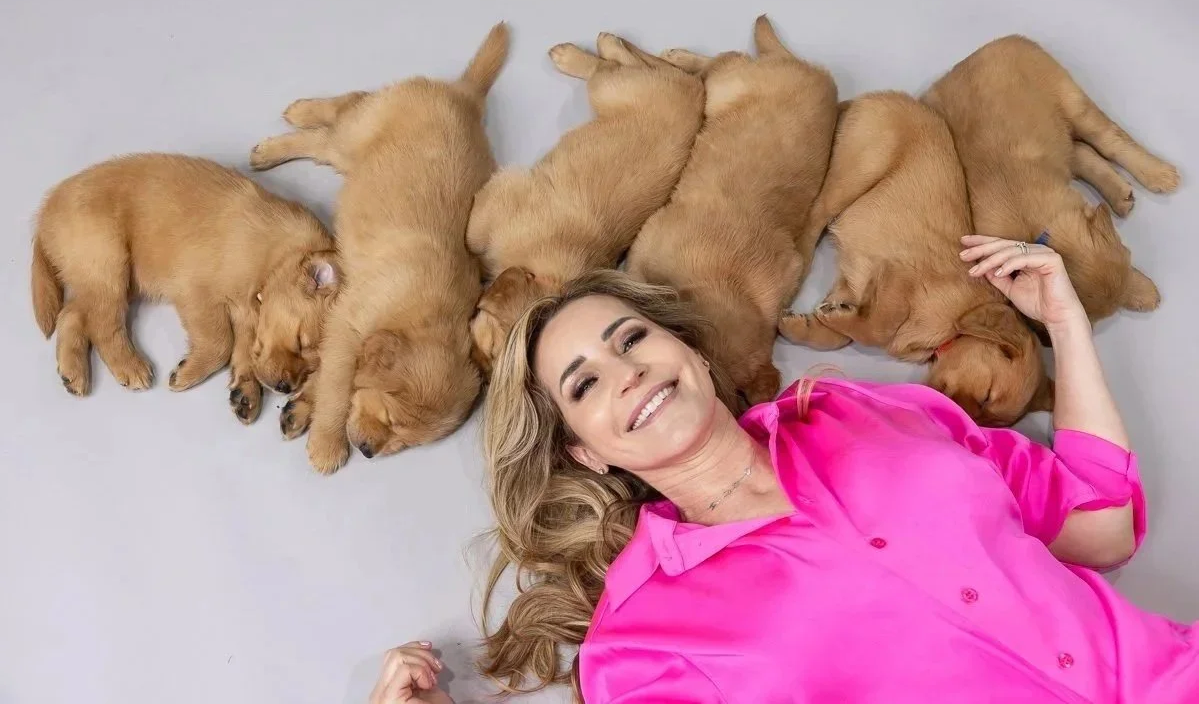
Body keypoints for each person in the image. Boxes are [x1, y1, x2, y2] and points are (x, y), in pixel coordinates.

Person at [368, 237, 1197, 704]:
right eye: (584, 383)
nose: (627, 373)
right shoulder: (643, 640)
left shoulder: (862, 410)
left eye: (632, 340)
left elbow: (1098, 526)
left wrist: (1064, 323)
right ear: (585, 451)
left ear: (684, 347)